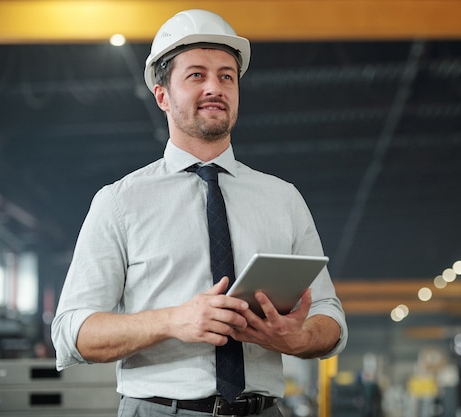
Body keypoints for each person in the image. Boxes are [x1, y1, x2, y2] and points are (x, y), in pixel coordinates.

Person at [51, 9, 347, 417]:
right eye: (196, 75)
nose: (215, 87)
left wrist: (293, 339)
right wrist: (173, 321)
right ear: (162, 96)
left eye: (227, 76)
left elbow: (330, 318)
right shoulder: (119, 202)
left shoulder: (283, 199)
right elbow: (71, 332)